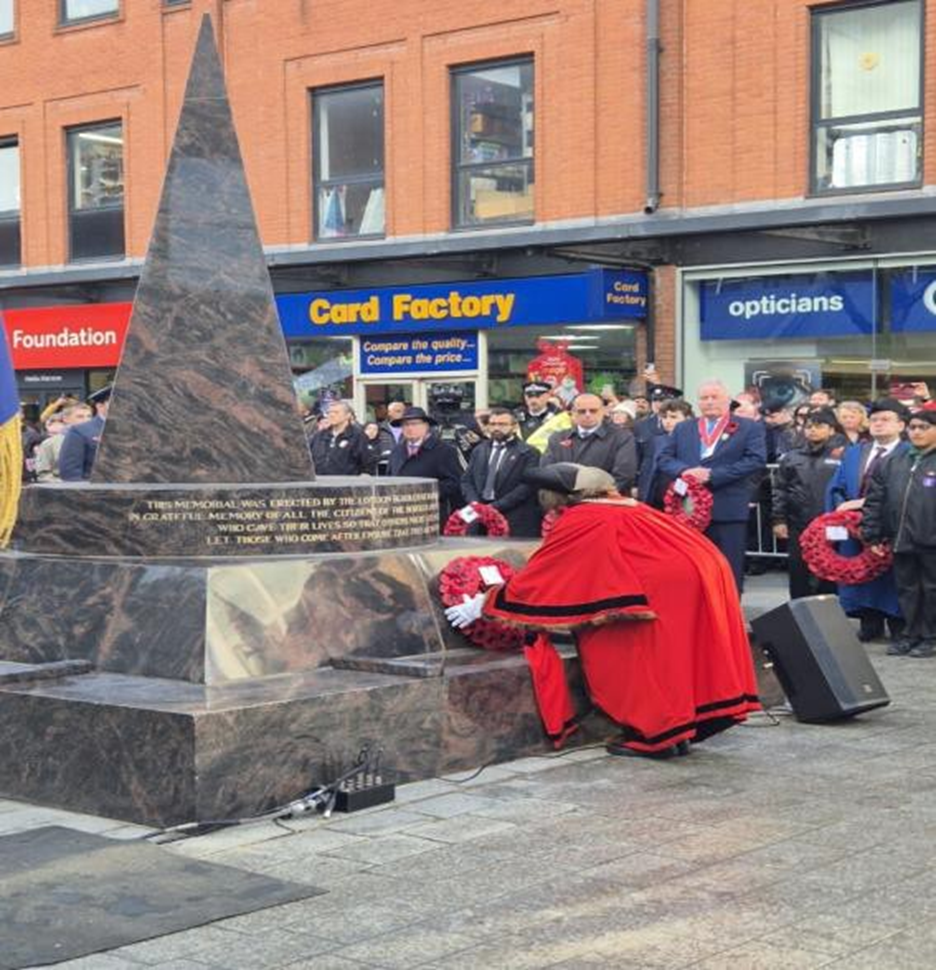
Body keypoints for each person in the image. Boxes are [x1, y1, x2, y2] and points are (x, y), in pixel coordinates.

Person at [444, 463, 760, 757]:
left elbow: (545, 573)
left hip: (661, 585)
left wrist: (485, 603)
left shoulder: (582, 518)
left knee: (632, 657)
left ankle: (656, 736)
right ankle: (676, 732)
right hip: (698, 573)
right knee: (675, 659)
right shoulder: (625, 506)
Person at [657, 379, 767, 593]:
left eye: (714, 397)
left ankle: (731, 616)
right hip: (687, 510)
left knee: (728, 566)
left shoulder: (748, 428)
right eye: (704, 398)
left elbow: (755, 460)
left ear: (727, 400)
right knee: (692, 567)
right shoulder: (683, 428)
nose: (709, 402)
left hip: (728, 507)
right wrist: (685, 471)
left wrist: (713, 475)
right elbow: (664, 458)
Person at [827, 397, 910, 644]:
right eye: (874, 420)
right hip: (855, 527)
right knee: (861, 574)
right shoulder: (855, 452)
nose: (878, 424)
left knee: (892, 578)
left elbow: (904, 490)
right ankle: (869, 622)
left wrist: (862, 504)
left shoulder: (908, 454)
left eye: (886, 420)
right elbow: (838, 486)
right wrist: (844, 513)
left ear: (901, 425)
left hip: (891, 525)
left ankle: (898, 625)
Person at [862, 402, 936, 658]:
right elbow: (875, 499)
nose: (916, 432)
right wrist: (872, 533)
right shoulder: (895, 461)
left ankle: (930, 637)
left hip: (931, 541)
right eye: (913, 427)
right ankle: (910, 634)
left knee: (931, 590)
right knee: (907, 590)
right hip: (901, 539)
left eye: (924, 427)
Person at [771, 408, 845, 600]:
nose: (813, 430)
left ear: (831, 430)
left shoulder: (843, 456)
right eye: (809, 426)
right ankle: (798, 609)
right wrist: (779, 519)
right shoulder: (792, 457)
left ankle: (830, 610)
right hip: (798, 523)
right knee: (798, 569)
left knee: (830, 570)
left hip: (832, 522)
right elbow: (780, 489)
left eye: (819, 426)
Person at [460, 408, 542, 537]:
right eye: (492, 424)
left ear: (514, 427)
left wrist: (494, 507)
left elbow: (527, 487)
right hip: (479, 519)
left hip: (513, 518)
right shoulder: (479, 450)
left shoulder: (529, 453)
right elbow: (467, 481)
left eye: (502, 424)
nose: (496, 428)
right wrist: (475, 504)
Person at [541, 392, 637, 493]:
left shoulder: (621, 437)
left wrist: (592, 497)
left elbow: (624, 476)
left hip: (602, 502)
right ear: (573, 412)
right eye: (582, 411)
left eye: (593, 411)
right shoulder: (557, 438)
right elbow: (547, 472)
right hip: (563, 501)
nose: (588, 415)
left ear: (603, 411)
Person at [387, 406, 463, 529]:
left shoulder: (444, 451)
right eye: (405, 424)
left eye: (414, 424)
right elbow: (389, 478)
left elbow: (454, 483)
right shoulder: (396, 451)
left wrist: (422, 492)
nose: (409, 428)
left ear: (426, 426)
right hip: (400, 517)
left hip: (430, 516)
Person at [637, 398, 693, 507]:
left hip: (681, 498)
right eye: (664, 417)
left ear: (688, 418)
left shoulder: (694, 441)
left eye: (673, 417)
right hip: (656, 496)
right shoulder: (657, 440)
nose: (667, 421)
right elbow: (649, 469)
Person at [309, 401, 376, 475]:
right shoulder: (319, 436)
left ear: (348, 415)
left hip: (346, 483)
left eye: (336, 412)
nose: (331, 415)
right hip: (319, 482)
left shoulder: (358, 436)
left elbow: (367, 463)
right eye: (329, 412)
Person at [59, 386, 111, 482]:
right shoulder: (80, 431)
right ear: (100, 406)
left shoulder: (134, 428)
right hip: (99, 491)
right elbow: (71, 473)